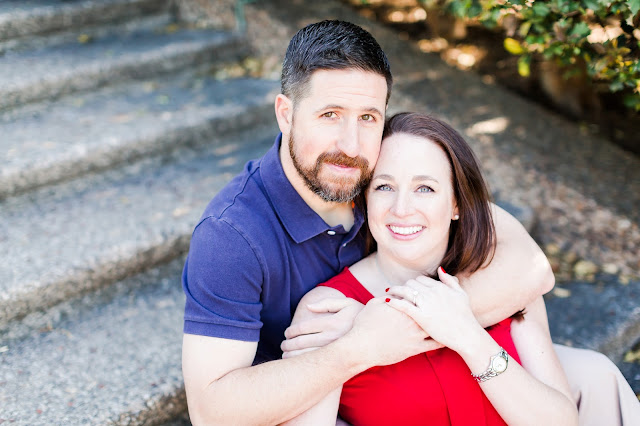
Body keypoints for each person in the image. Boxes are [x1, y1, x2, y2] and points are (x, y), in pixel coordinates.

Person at [180, 20, 633, 425]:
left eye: (368, 118)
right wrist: (357, 346)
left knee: (594, 377)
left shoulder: (378, 167)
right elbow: (212, 411)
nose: (350, 143)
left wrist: (419, 322)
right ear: (286, 113)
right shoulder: (232, 236)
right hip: (307, 384)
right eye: (329, 114)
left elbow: (531, 268)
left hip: (438, 350)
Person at [284, 112, 579, 425]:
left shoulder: (503, 279)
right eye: (384, 187)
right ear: (364, 198)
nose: (402, 209)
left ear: (456, 204)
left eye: (424, 188)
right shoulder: (327, 312)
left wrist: (469, 337)